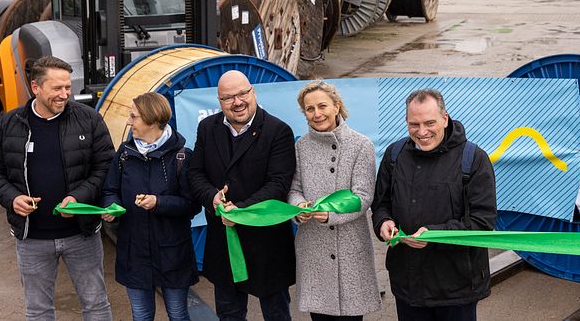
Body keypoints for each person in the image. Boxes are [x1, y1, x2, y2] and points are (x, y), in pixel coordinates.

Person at [0, 55, 114, 320]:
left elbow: (106, 168)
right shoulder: (10, 124)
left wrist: (79, 198)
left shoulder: (88, 119)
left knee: (96, 304)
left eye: (68, 87)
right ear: (35, 88)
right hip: (32, 239)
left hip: (82, 236)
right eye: (57, 88)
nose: (65, 94)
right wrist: (12, 198)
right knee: (38, 311)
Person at [371, 89, 497, 321]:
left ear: (445, 118)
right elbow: (381, 204)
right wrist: (383, 223)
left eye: (430, 123)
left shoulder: (474, 159)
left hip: (456, 287)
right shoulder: (394, 155)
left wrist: (435, 234)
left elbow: (483, 222)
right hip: (407, 283)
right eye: (414, 124)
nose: (422, 132)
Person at [186, 70, 296, 321]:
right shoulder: (207, 128)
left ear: (253, 92)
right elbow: (195, 174)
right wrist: (212, 197)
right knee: (229, 313)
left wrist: (242, 211)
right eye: (228, 98)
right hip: (224, 238)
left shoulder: (278, 131)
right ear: (219, 101)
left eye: (243, 93)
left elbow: (278, 184)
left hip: (267, 240)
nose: (237, 102)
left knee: (276, 313)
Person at [101, 92, 200, 321]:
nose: (128, 122)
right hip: (134, 253)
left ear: (153, 121)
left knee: (177, 313)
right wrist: (111, 208)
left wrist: (159, 203)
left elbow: (193, 205)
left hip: (172, 254)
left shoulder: (182, 157)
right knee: (141, 315)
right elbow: (110, 190)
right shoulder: (124, 154)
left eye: (133, 117)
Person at [288, 81, 381, 321]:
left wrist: (331, 214)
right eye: (310, 109)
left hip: (350, 249)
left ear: (336, 106)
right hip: (314, 249)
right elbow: (294, 189)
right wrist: (299, 207)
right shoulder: (300, 147)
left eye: (322, 106)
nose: (317, 114)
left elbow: (363, 196)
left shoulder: (361, 145)